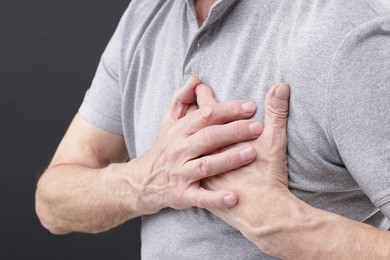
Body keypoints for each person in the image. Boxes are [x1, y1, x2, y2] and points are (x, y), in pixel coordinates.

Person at [35, 0, 390, 259]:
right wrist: (148, 180)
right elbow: (52, 203)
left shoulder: (343, 33)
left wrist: (287, 225)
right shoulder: (145, 15)